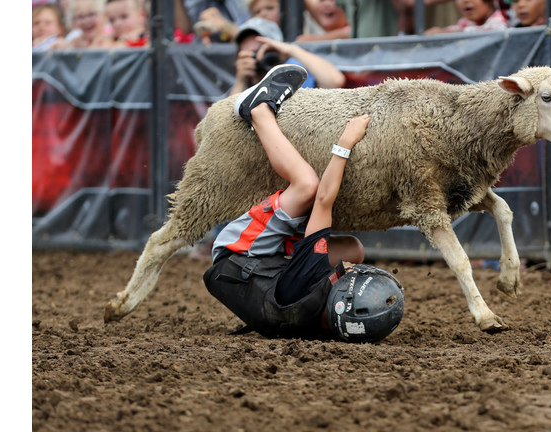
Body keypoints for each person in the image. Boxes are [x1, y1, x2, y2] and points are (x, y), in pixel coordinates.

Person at [203, 65, 405, 342]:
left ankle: (258, 111)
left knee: (307, 186)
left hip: (237, 255)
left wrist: (346, 142)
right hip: (266, 282)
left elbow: (323, 199)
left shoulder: (309, 278)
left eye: (351, 278)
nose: (352, 272)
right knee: (353, 250)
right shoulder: (327, 325)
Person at [228, 18, 346, 96]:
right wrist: (241, 81)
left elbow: (335, 81)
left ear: (278, 48)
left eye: (264, 50)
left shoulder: (295, 75)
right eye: (251, 54)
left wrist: (291, 50)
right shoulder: (242, 87)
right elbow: (228, 121)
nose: (259, 58)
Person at [424, 0, 508, 34]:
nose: (465, 1)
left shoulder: (501, 18)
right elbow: (456, 29)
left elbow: (494, 32)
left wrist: (445, 33)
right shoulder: (466, 21)